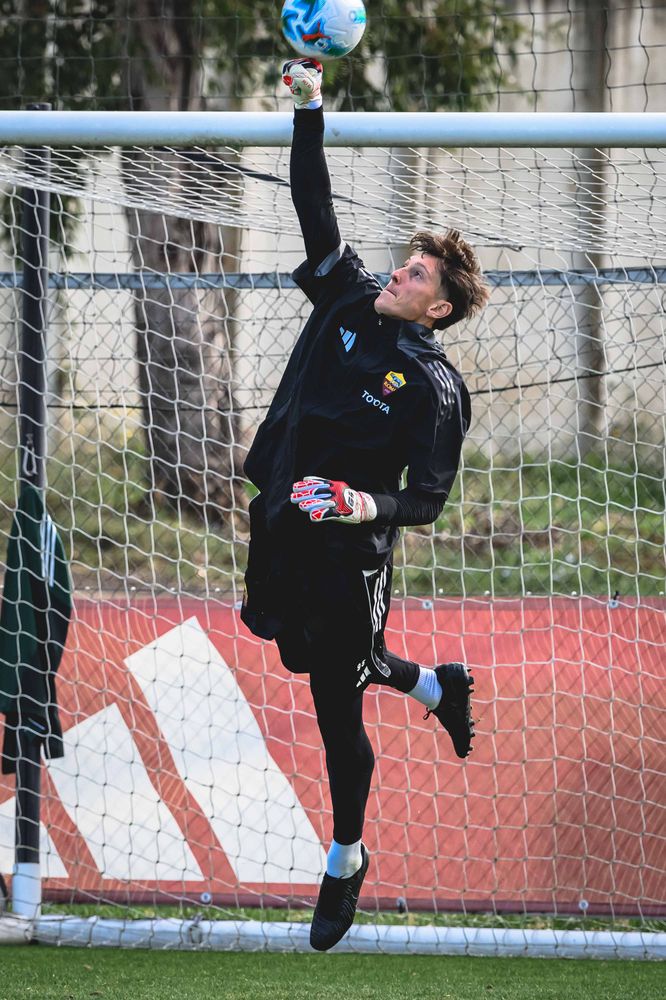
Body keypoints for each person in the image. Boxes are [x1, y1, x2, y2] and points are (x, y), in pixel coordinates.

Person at [241, 58, 490, 952]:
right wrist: (309, 112)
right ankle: (434, 684)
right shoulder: (346, 296)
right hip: (279, 522)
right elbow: (316, 207)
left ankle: (346, 857)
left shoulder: (433, 387)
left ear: (442, 309)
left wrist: (357, 502)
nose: (400, 273)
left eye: (418, 274)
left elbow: (423, 500)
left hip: (350, 559)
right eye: (405, 262)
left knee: (335, 712)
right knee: (305, 658)